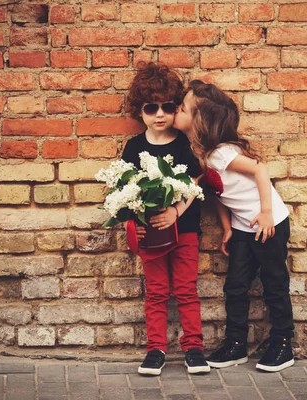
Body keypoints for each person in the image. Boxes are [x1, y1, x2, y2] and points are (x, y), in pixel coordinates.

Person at [173, 80, 295, 372]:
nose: (176, 112)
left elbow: (260, 170)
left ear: (199, 120)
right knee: (236, 286)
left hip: (269, 223)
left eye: (181, 108)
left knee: (274, 284)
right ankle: (236, 345)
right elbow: (218, 193)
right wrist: (227, 228)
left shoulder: (221, 153)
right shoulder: (200, 154)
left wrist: (266, 213)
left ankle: (283, 344)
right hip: (242, 227)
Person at [121, 63, 210, 376]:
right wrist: (132, 224)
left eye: (167, 107)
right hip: (150, 235)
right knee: (156, 292)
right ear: (139, 111)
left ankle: (194, 348)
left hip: (184, 229)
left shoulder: (185, 144)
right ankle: (155, 349)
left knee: (186, 290)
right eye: (150, 108)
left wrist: (175, 211)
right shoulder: (134, 148)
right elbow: (125, 190)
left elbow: (197, 181)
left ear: (176, 108)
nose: (159, 114)